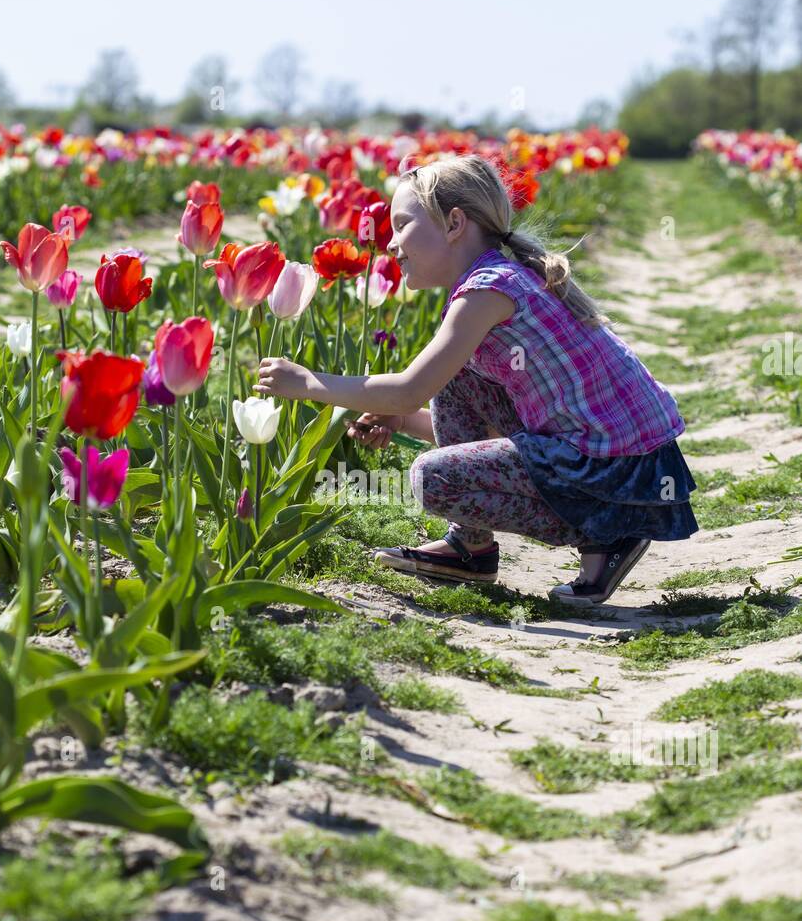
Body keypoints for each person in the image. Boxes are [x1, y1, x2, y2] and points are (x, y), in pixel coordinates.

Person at [254, 152, 698, 605]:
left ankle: (608, 533)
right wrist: (403, 422)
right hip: (618, 456)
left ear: (453, 223)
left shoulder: (488, 291)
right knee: (458, 376)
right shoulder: (504, 278)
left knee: (431, 478)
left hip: (616, 472)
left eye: (403, 225)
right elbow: (481, 430)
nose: (390, 244)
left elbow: (410, 388)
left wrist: (306, 383)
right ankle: (472, 548)